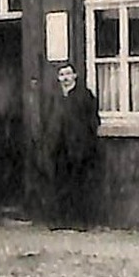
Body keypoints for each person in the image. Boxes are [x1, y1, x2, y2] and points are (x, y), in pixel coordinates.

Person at [42, 64, 100, 228]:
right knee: (60, 184)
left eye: (68, 74)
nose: (65, 78)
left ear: (75, 76)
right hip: (59, 147)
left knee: (78, 185)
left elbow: (93, 121)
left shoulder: (84, 95)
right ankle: (61, 221)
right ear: (58, 78)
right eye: (62, 75)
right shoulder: (55, 97)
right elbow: (48, 119)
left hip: (79, 148)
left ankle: (79, 221)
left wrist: (87, 141)